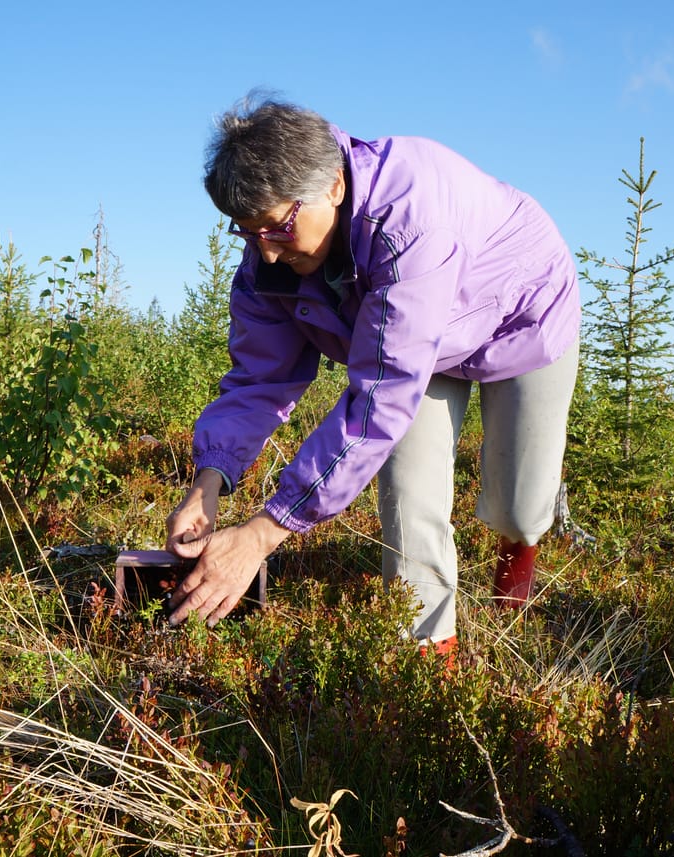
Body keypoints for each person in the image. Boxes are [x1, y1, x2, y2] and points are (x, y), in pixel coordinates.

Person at [164, 96, 580, 654]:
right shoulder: (267, 260)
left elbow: (377, 399)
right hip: (416, 345)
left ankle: (514, 596)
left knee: (520, 508)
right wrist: (208, 481)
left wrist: (262, 535)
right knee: (409, 495)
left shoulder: (411, 220)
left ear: (333, 186)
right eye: (246, 232)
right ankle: (427, 669)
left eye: (279, 228)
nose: (264, 252)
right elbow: (260, 378)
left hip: (522, 316)